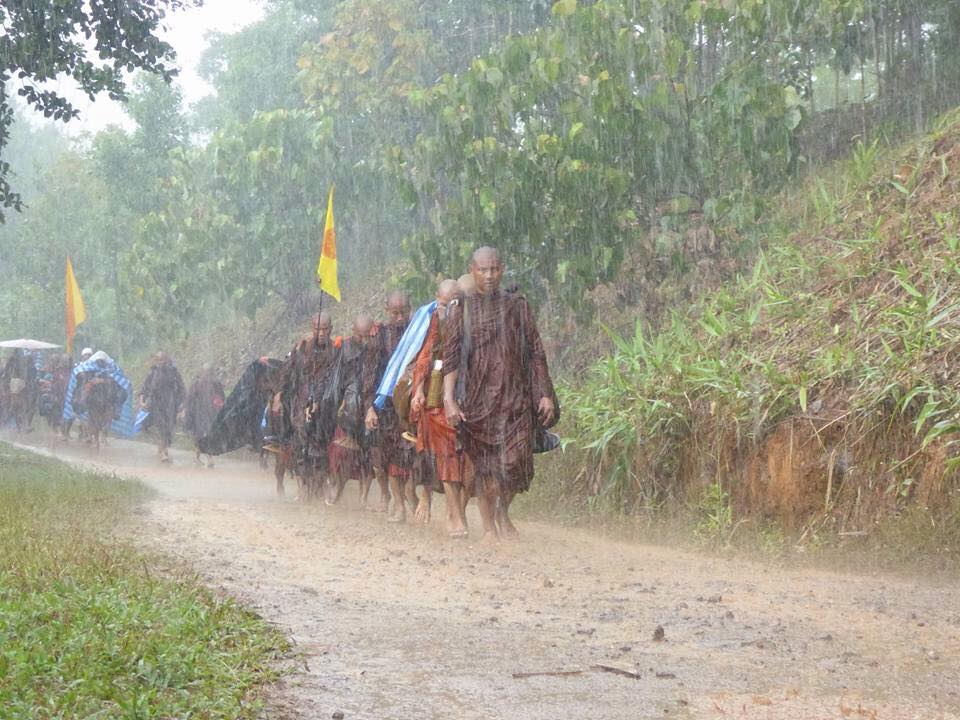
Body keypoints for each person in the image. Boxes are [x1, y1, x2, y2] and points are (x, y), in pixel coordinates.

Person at [442, 247, 558, 541]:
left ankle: (502, 510)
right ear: (472, 270)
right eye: (483, 270)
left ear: (502, 269)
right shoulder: (462, 309)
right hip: (479, 403)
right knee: (486, 468)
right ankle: (491, 528)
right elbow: (451, 359)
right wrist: (449, 399)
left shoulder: (517, 306)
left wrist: (544, 394)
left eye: (494, 269)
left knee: (517, 463)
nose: (490, 275)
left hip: (516, 398)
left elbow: (535, 352)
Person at [410, 278, 473, 536]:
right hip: (437, 401)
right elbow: (423, 358)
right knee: (447, 454)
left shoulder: (472, 323)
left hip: (469, 395)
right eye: (443, 305)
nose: (447, 311)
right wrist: (418, 390)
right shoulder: (432, 324)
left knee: (470, 462)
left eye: (453, 305)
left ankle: (457, 509)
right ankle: (454, 515)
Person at [363, 291, 416, 522]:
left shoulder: (418, 333)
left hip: (411, 405)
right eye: (394, 313)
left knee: (414, 455)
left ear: (410, 310)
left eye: (403, 312)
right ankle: (399, 506)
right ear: (387, 311)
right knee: (392, 458)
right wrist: (370, 407)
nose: (399, 318)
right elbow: (369, 376)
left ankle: (413, 498)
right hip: (386, 408)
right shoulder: (379, 338)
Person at [274, 312, 338, 498]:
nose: (321, 333)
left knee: (322, 444)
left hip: (326, 406)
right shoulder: (301, 349)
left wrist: (321, 400)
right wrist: (278, 395)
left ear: (331, 329)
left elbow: (335, 379)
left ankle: (322, 482)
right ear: (312, 329)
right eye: (318, 329)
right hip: (301, 404)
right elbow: (286, 373)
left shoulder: (336, 351)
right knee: (300, 442)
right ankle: (302, 483)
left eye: (325, 329)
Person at [325, 315, 380, 505]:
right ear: (353, 332)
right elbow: (336, 380)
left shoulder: (377, 346)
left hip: (372, 404)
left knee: (369, 455)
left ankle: (364, 496)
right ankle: (337, 488)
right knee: (341, 453)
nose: (364, 340)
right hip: (348, 407)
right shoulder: (344, 349)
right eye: (360, 336)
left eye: (367, 336)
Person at [139, 351, 186, 463]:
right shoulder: (153, 372)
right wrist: (142, 401)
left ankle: (162, 447)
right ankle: (164, 451)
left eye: (163, 360)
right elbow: (145, 387)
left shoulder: (174, 373)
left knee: (169, 427)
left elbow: (181, 388)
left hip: (170, 404)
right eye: (158, 360)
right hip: (156, 404)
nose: (161, 362)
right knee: (162, 426)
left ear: (167, 360)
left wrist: (182, 405)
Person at [184, 363, 226, 467]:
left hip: (211, 413)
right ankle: (209, 458)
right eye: (206, 371)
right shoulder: (197, 383)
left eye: (209, 371)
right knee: (204, 435)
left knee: (205, 435)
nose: (207, 374)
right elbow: (190, 399)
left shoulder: (215, 383)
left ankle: (196, 457)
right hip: (200, 414)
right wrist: (187, 411)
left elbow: (222, 397)